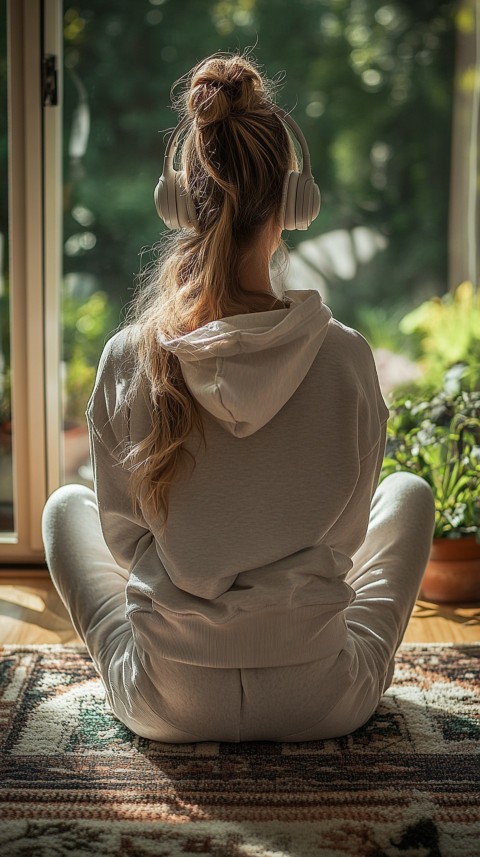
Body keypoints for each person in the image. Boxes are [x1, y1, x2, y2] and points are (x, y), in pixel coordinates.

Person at [42, 54, 435, 743]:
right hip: (321, 698)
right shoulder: (346, 358)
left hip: (168, 700)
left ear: (177, 201)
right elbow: (343, 543)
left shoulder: (129, 357)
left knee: (61, 509)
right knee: (409, 493)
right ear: (294, 204)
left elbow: (125, 540)